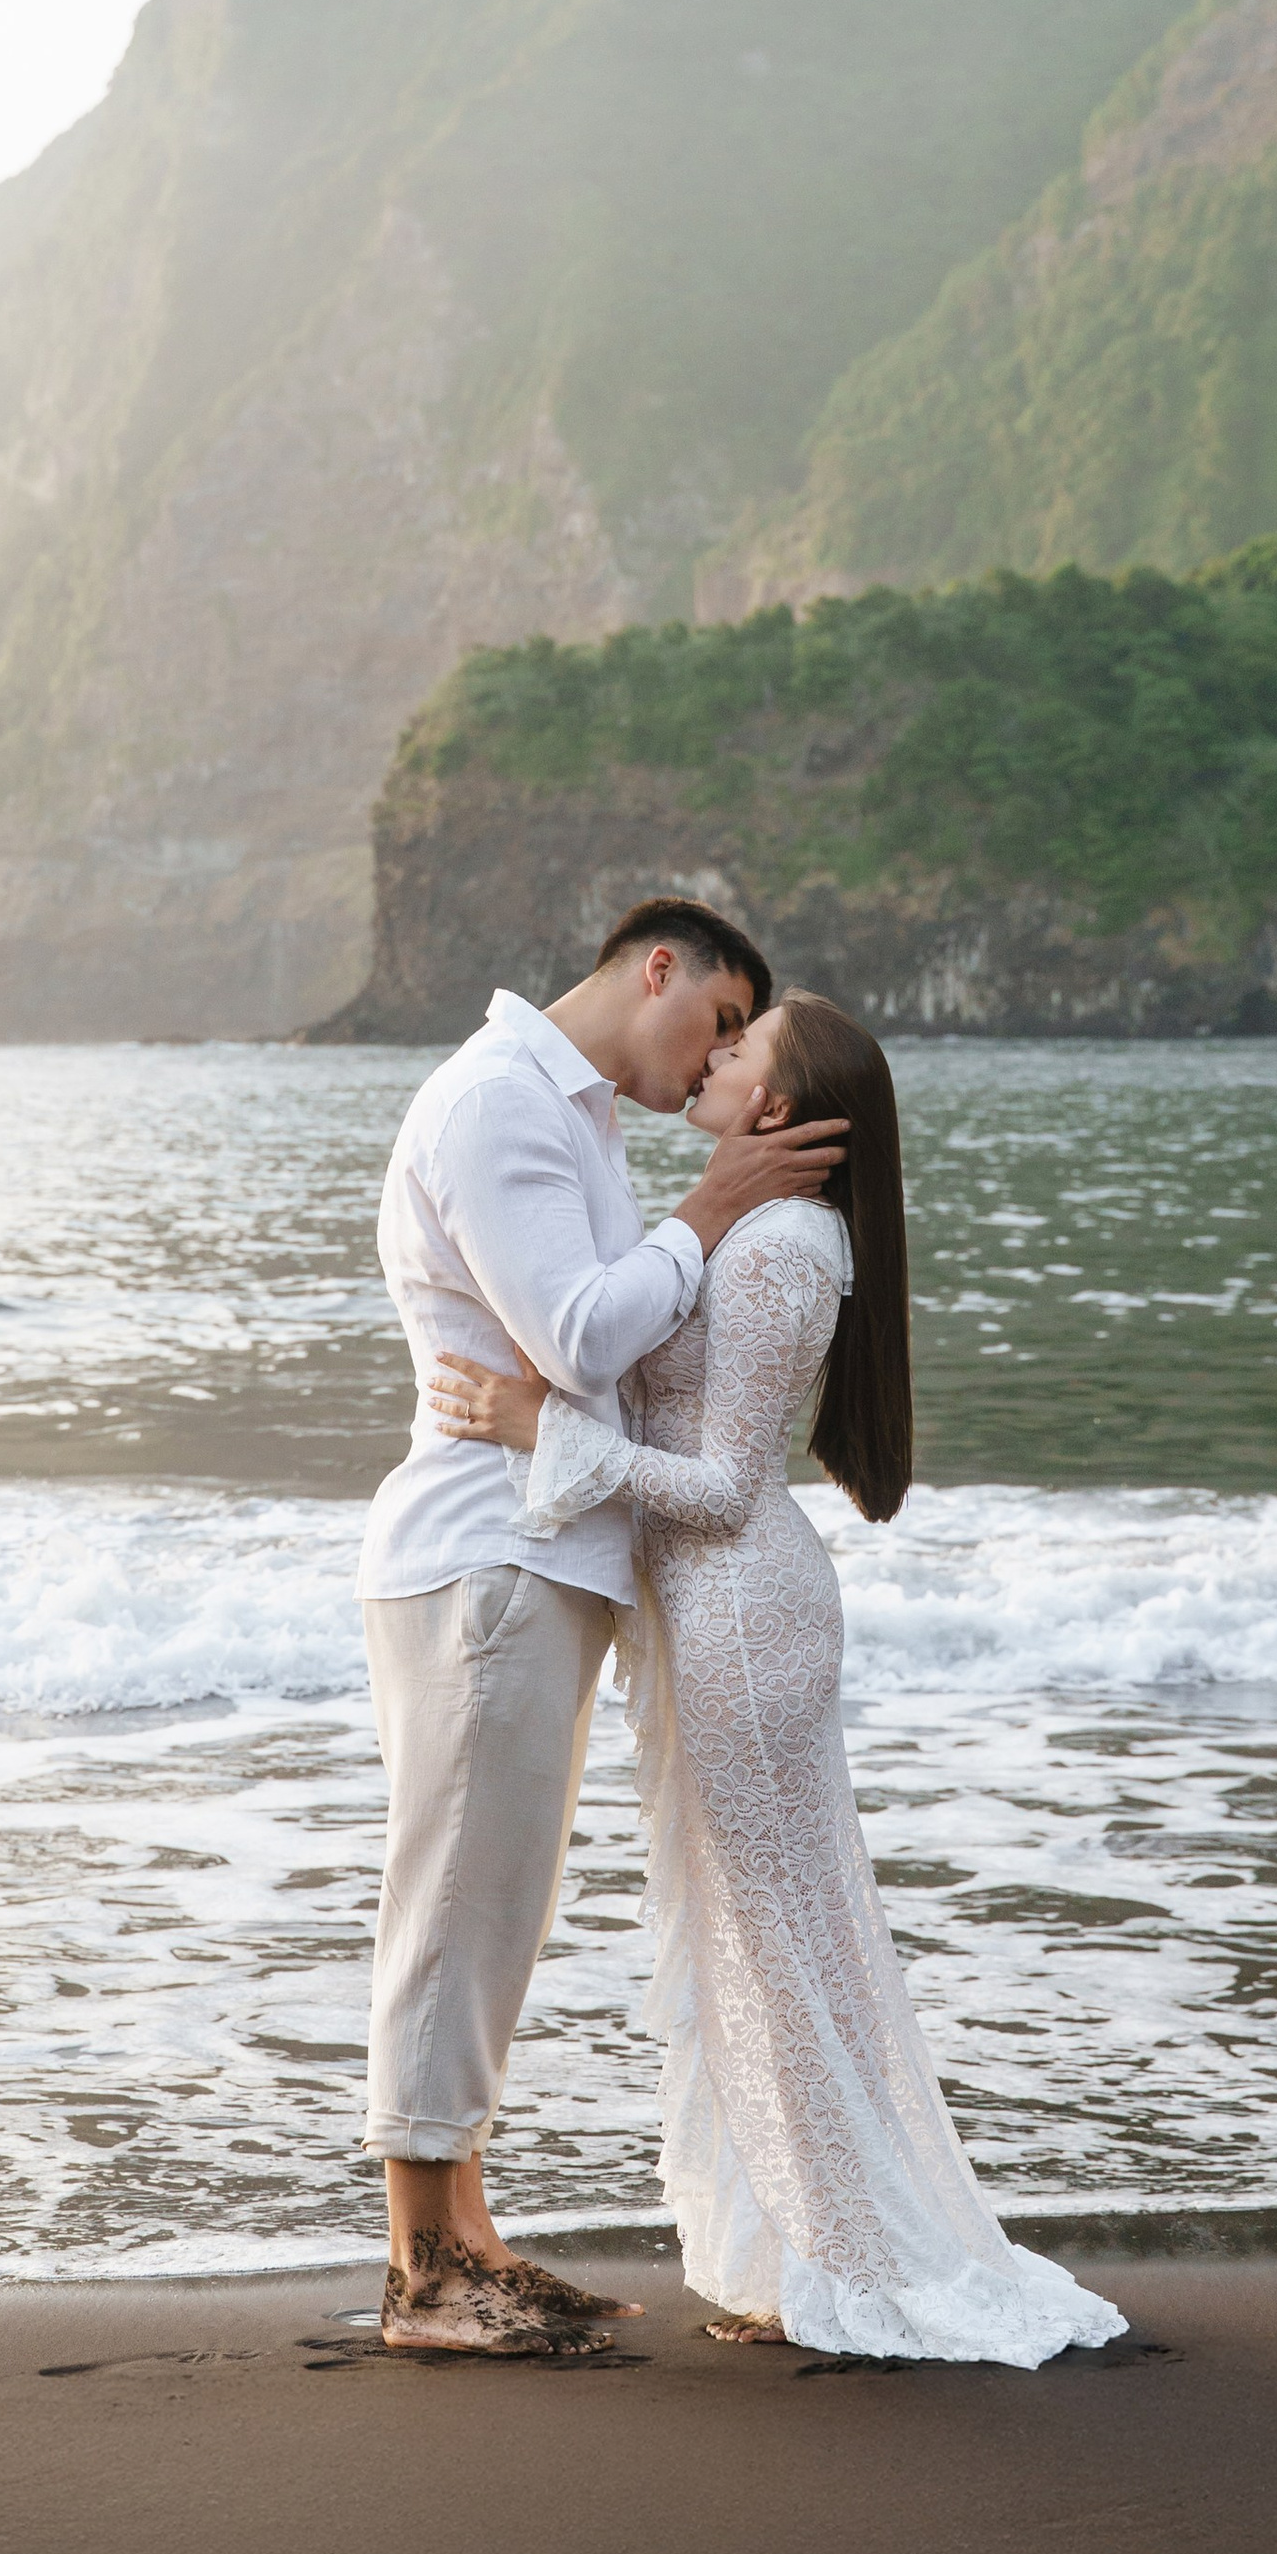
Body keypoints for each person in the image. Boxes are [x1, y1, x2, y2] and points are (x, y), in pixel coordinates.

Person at [432, 990, 1124, 2366]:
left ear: (784, 1109)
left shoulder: (786, 1249)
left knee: (779, 1947)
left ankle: (854, 2265)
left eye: (745, 1046)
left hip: (745, 1611)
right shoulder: (755, 1234)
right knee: (763, 1939)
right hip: (724, 1611)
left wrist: (540, 1437)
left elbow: (728, 1485)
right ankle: (818, 2249)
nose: (717, 1049)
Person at [359, 900, 847, 2354]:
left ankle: (468, 2239)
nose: (712, 1062)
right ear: (658, 970)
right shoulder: (500, 1103)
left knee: (493, 1906)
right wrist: (712, 1215)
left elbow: (600, 1363)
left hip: (542, 1552)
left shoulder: (575, 1120)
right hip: (486, 1555)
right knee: (451, 1907)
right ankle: (420, 2272)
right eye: (717, 1021)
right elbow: (579, 1334)